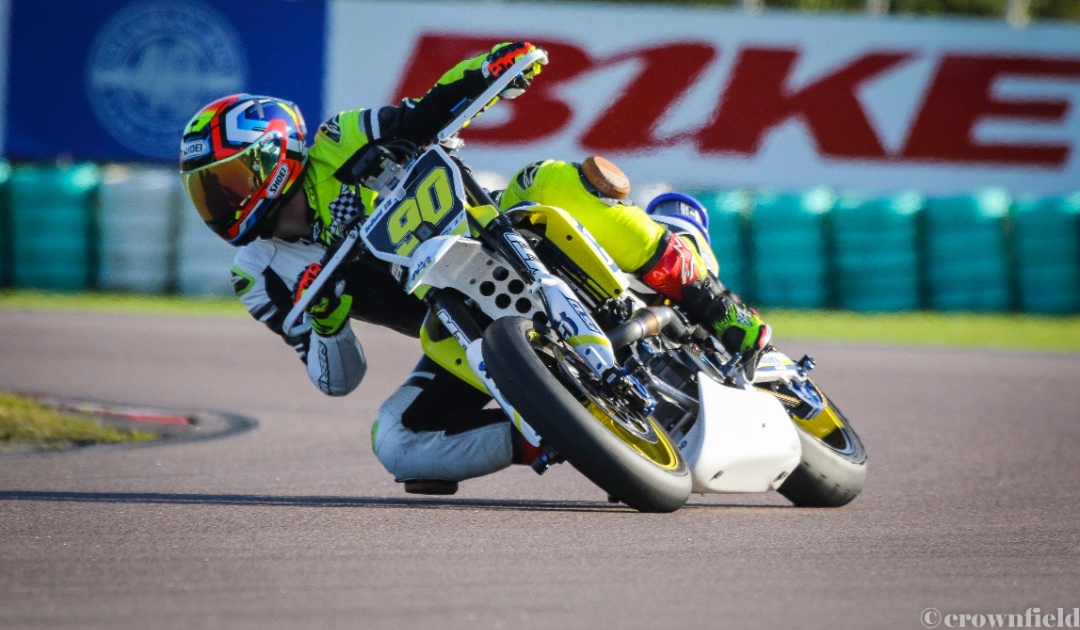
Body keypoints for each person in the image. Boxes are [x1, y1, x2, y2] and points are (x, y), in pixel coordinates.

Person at [178, 41, 769, 496]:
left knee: (548, 182)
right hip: (453, 328)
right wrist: (328, 325)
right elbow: (337, 380)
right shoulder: (258, 275)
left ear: (274, 155)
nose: (221, 205)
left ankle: (715, 305)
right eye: (207, 193)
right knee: (396, 440)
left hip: (497, 236)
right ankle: (564, 435)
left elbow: (423, 115)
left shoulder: (338, 140)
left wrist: (490, 69)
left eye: (227, 183)